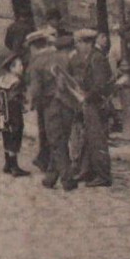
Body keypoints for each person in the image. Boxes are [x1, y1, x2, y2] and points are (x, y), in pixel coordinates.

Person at [28, 30, 81, 190]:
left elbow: (36, 90)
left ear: (33, 46)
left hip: (51, 105)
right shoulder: (63, 57)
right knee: (60, 138)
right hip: (68, 104)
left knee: (56, 141)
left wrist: (33, 104)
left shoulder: (37, 62)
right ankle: (51, 176)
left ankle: (67, 179)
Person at [69, 27, 114, 187]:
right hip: (91, 103)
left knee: (97, 140)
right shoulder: (91, 56)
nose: (77, 46)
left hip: (96, 103)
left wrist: (85, 96)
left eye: (78, 43)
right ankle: (87, 171)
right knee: (88, 138)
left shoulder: (96, 58)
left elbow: (101, 85)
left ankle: (103, 175)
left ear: (86, 43)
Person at [0, 48, 33, 178]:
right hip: (13, 113)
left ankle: (7, 163)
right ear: (12, 68)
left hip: (1, 113)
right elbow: (15, 98)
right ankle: (14, 166)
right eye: (19, 65)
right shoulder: (17, 82)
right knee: (15, 135)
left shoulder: (3, 80)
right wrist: (23, 104)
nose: (22, 67)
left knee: (6, 135)